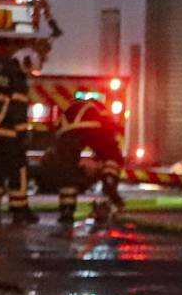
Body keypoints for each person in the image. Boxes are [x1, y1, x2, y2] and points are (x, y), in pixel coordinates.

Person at [40, 93, 124, 228]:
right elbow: (108, 142)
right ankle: (110, 188)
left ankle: (67, 212)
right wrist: (104, 172)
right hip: (90, 127)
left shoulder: (71, 111)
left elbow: (58, 140)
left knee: (68, 171)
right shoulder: (99, 112)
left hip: (65, 135)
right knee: (112, 155)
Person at [0, 51, 37, 224]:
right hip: (9, 134)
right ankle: (20, 212)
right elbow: (18, 109)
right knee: (18, 173)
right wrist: (23, 134)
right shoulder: (17, 78)